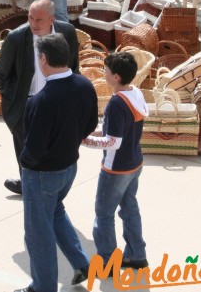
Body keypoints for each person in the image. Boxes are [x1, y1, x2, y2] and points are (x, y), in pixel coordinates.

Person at [16, 33, 98, 292]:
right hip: (69, 168)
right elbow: (91, 124)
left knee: (38, 235)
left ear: (43, 59)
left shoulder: (40, 100)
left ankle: (43, 287)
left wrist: (25, 162)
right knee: (55, 211)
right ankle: (82, 263)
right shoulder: (85, 86)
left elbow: (34, 149)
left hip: (42, 175)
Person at [0, 0, 79, 195]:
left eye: (39, 20)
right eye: (30, 18)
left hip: (57, 104)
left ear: (52, 19)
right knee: (26, 152)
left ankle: (48, 189)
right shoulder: (16, 38)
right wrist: (12, 102)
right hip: (26, 106)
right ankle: (28, 186)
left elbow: (74, 65)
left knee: (52, 149)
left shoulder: (66, 32)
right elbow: (0, 75)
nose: (33, 24)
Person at [82, 52, 149, 270]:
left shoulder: (115, 104)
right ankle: (137, 254)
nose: (104, 74)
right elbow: (118, 131)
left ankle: (108, 262)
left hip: (116, 169)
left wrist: (86, 141)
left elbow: (113, 141)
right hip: (135, 163)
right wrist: (93, 132)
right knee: (129, 207)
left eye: (107, 71)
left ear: (117, 77)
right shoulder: (135, 93)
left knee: (104, 214)